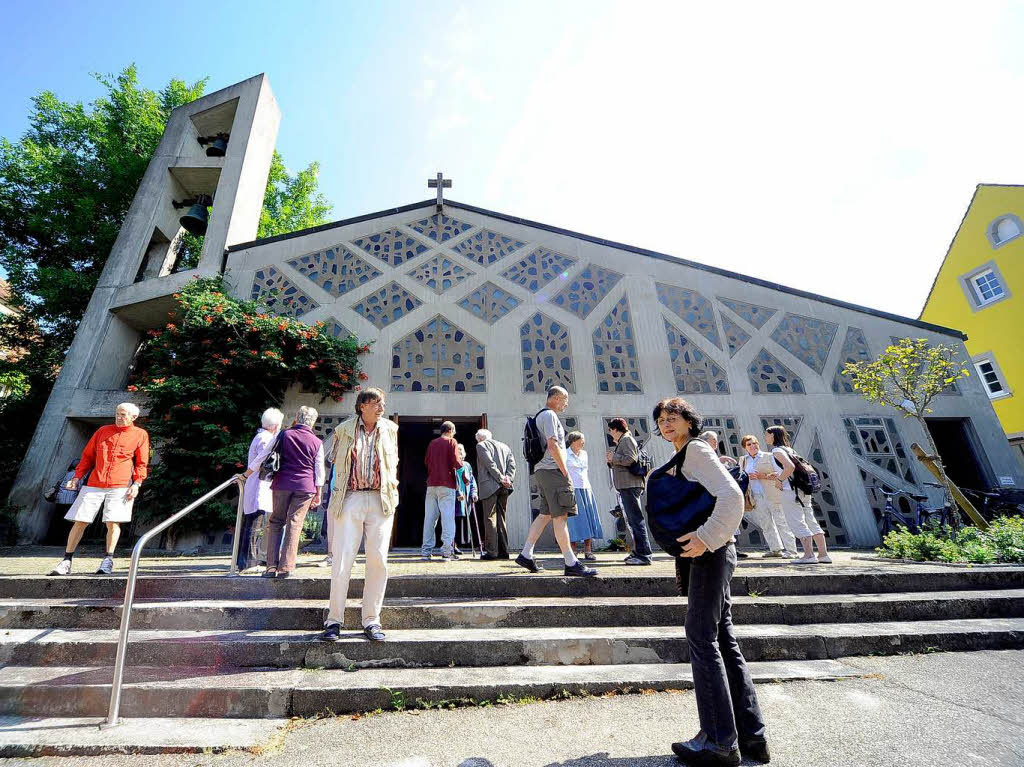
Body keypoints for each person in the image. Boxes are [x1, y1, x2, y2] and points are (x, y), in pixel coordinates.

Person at [654, 397, 769, 766]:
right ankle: (752, 737)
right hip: (716, 552)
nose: (666, 424)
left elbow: (732, 497)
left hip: (711, 553)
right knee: (722, 638)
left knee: (701, 637)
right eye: (661, 419)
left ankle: (718, 740)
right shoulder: (688, 454)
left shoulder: (696, 451)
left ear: (689, 422)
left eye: (673, 418)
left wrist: (707, 536)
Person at [320, 387, 398, 643]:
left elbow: (392, 464)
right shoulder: (343, 429)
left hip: (380, 499)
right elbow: (333, 460)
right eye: (376, 403)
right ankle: (334, 620)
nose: (381, 407)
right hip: (350, 497)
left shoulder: (390, 429)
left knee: (378, 561)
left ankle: (372, 620)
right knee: (342, 561)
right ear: (362, 405)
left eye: (382, 403)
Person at [49, 403, 150, 576]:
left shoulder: (140, 434)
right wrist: (76, 477)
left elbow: (142, 462)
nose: (119, 417)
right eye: (117, 413)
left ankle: (108, 560)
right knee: (79, 520)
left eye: (123, 414)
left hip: (121, 485)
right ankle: (66, 560)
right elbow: (87, 456)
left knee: (113, 522)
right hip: (94, 483)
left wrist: (137, 483)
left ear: (134, 417)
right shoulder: (102, 431)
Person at [516, 386, 597, 577]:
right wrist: (565, 471)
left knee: (545, 514)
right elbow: (553, 445)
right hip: (553, 470)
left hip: (541, 470)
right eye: (565, 400)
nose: (566, 404)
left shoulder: (539, 416)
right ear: (556, 398)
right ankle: (571, 562)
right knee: (561, 516)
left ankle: (526, 554)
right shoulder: (550, 416)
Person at [244, 405, 325, 579]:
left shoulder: (284, 434)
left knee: (276, 522)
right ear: (313, 422)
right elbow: (319, 471)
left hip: (282, 484)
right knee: (295, 524)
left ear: (296, 417)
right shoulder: (317, 442)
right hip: (305, 487)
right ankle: (286, 567)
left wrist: (247, 473)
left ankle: (271, 567)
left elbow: (264, 455)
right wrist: (318, 492)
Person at [765, 425, 832, 565]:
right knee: (810, 520)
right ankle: (823, 555)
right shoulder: (789, 449)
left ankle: (808, 555)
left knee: (796, 522)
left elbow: (790, 467)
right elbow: (791, 469)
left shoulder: (776, 450)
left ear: (773, 435)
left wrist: (779, 480)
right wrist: (777, 475)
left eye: (767, 434)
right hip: (803, 490)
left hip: (790, 492)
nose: (765, 437)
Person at [238, 408, 283, 573]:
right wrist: (246, 473)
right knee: (254, 525)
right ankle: (249, 562)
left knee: (252, 524)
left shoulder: (261, 436)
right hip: (259, 486)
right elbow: (261, 459)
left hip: (257, 485)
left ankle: (245, 560)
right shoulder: (265, 438)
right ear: (275, 425)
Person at [740, 435, 797, 559]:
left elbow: (779, 474)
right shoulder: (743, 460)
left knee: (781, 522)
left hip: (773, 494)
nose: (753, 446)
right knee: (766, 523)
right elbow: (741, 476)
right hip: (756, 496)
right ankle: (775, 549)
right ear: (745, 447)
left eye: (754, 443)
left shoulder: (770, 456)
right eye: (749, 444)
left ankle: (791, 550)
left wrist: (762, 475)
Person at [606, 418, 653, 566]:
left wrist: (614, 457)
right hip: (626, 485)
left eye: (610, 430)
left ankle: (644, 554)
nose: (610, 433)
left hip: (630, 485)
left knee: (635, 520)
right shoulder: (623, 440)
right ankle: (637, 551)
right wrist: (612, 461)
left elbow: (630, 459)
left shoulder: (626, 439)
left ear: (615, 429)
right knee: (631, 521)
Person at [700, 431, 747, 559]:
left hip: (722, 493)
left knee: (729, 519)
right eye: (713, 440)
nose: (716, 442)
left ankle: (731, 548)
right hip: (712, 494)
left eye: (716, 440)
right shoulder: (702, 453)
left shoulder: (711, 454)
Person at [421, 421, 462, 562]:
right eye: (454, 431)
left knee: (430, 518)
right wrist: (463, 479)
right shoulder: (452, 442)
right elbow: (457, 463)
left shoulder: (432, 443)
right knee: (448, 518)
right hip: (447, 484)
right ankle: (447, 551)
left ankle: (426, 552)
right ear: (451, 430)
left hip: (432, 484)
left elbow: (427, 461)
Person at [475, 428, 516, 560]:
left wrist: (500, 478)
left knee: (490, 518)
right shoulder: (504, 446)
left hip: (490, 486)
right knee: (501, 519)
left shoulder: (481, 445)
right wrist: (508, 479)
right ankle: (504, 551)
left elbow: (489, 464)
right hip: (505, 487)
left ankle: (492, 552)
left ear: (480, 438)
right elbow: (512, 465)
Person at [565, 431, 602, 561]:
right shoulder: (565, 454)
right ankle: (573, 550)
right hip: (573, 489)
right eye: (581, 440)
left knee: (589, 519)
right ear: (573, 441)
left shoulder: (584, 454)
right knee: (573, 521)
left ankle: (588, 550)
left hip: (586, 488)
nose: (583, 443)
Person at [454, 443, 479, 554]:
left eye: (461, 450)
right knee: (452, 521)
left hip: (466, 498)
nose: (459, 452)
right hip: (456, 497)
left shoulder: (467, 465)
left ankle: (462, 544)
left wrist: (474, 492)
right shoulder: (452, 465)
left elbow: (472, 480)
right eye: (457, 450)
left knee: (463, 521)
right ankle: (451, 545)